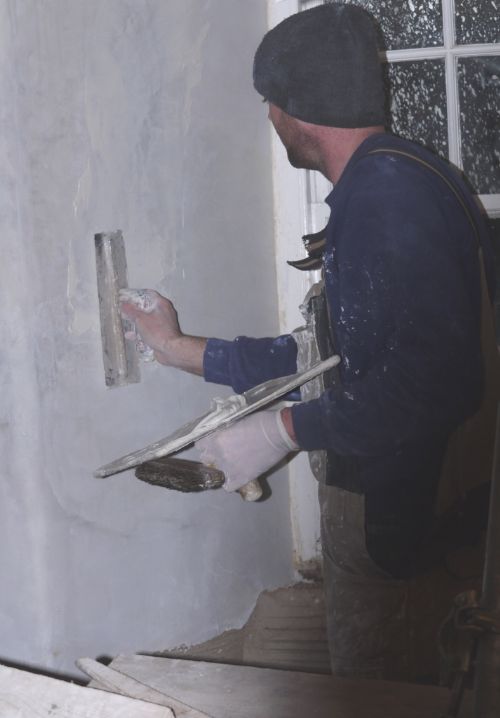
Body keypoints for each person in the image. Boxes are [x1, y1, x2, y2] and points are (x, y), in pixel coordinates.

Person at [121, 3, 496, 681]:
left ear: (300, 109)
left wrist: (281, 431)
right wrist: (180, 348)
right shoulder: (399, 178)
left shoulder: (387, 200)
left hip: (399, 524)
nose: (270, 119)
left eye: (272, 102)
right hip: (402, 508)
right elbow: (327, 352)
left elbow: (437, 383)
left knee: (387, 690)